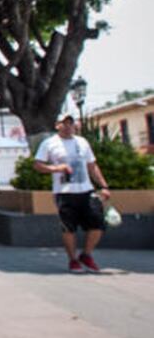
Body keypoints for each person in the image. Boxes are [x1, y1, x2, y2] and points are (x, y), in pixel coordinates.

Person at [33, 115, 111, 273]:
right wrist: (57, 168)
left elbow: (92, 165)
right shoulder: (49, 143)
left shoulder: (82, 142)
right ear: (57, 125)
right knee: (69, 228)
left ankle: (86, 255)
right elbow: (38, 165)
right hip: (64, 192)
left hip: (86, 189)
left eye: (71, 123)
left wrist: (103, 185)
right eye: (64, 123)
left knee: (97, 222)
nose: (68, 126)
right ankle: (73, 259)